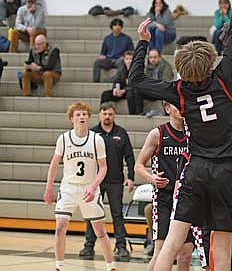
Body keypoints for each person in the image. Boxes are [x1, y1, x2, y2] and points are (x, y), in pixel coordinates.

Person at [128, 0, 232, 271]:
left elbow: (136, 80)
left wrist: (143, 42)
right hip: (226, 170)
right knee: (222, 248)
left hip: (195, 170)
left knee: (171, 243)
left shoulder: (179, 90)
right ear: (210, 60)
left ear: (182, 68)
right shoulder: (225, 77)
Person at [43, 102, 116, 271]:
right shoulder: (63, 138)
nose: (81, 117)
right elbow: (54, 164)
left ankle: (111, 266)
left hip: (89, 189)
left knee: (100, 231)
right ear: (71, 119)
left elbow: (103, 167)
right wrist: (48, 188)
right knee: (60, 227)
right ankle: (59, 266)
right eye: (78, 114)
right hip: (68, 188)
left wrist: (93, 186)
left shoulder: (96, 139)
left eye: (84, 114)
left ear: (89, 117)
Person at [134, 101, 193, 271]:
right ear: (167, 108)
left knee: (186, 254)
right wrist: (151, 178)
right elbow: (138, 165)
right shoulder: (158, 133)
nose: (181, 109)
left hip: (187, 197)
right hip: (164, 197)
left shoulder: (194, 133)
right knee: (160, 250)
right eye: (176, 105)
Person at [79, 102, 135, 261]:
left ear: (114, 115)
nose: (107, 116)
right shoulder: (92, 133)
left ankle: (121, 246)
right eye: (104, 113)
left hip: (116, 181)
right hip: (95, 182)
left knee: (117, 214)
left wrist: (130, 177)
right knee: (92, 214)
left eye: (110, 114)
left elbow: (129, 156)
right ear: (100, 115)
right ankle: (88, 246)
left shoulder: (121, 133)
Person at [100, 50, 143, 114]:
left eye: (131, 59)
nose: (129, 61)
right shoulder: (121, 69)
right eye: (127, 59)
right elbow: (117, 80)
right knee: (105, 94)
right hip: (121, 91)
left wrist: (124, 90)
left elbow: (137, 85)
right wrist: (115, 89)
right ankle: (103, 112)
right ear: (124, 60)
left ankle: (133, 114)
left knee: (131, 93)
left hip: (131, 92)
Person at [93, 18, 134, 83]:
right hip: (109, 59)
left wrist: (125, 57)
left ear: (121, 27)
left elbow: (131, 51)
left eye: (119, 25)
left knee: (122, 63)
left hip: (120, 59)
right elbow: (103, 51)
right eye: (115, 25)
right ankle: (96, 81)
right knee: (97, 62)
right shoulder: (107, 38)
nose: (117, 27)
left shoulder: (127, 38)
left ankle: (119, 81)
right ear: (112, 27)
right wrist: (102, 55)